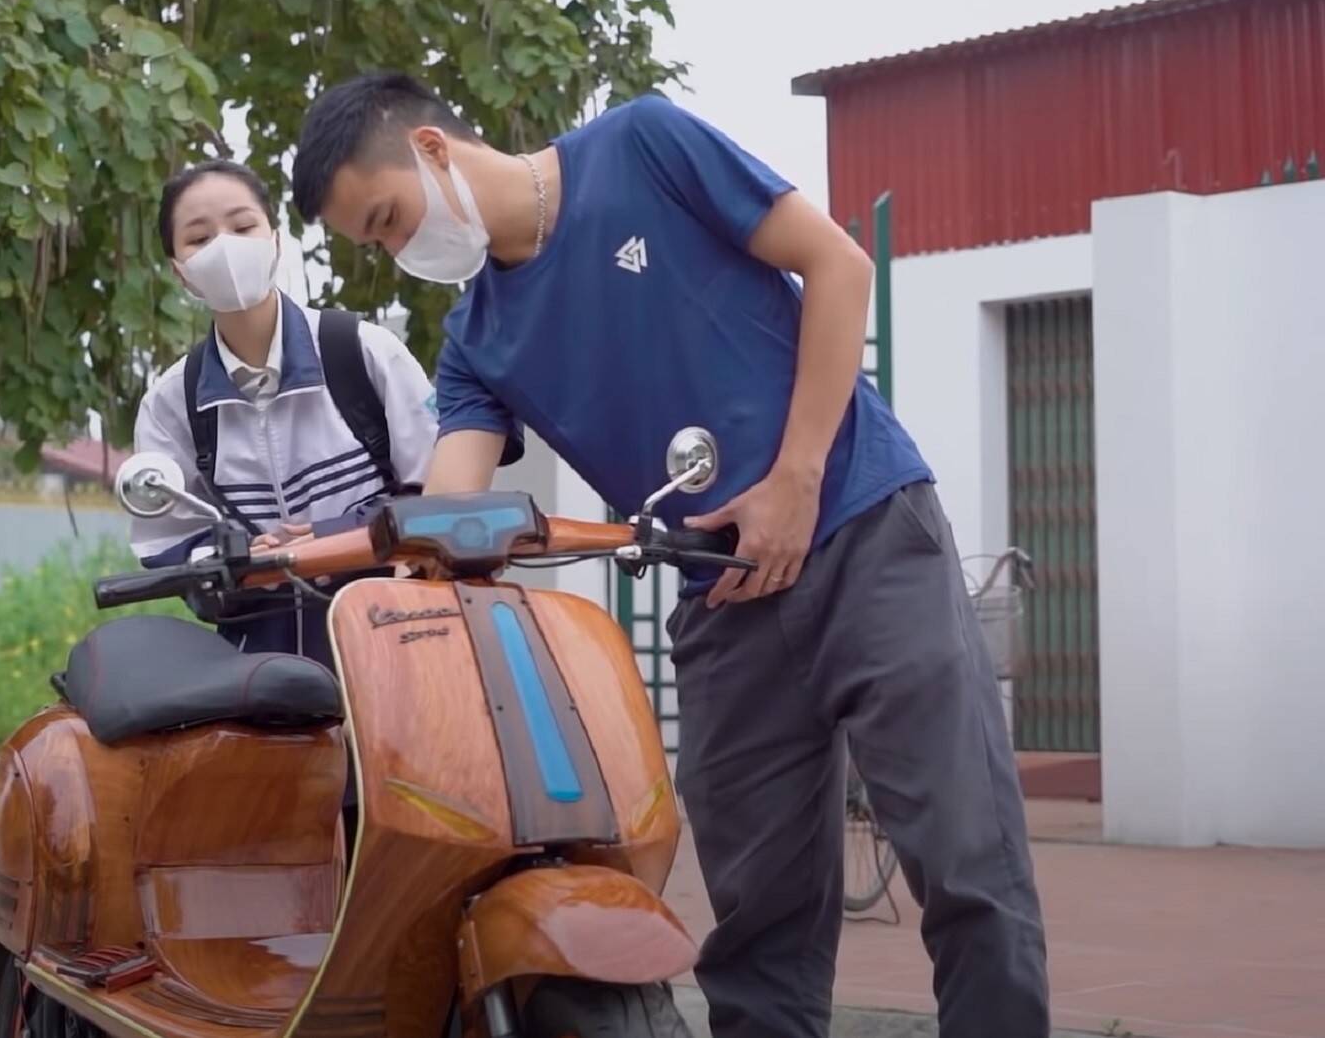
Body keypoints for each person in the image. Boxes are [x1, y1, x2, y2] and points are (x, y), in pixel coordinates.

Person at [287, 73, 1049, 1038]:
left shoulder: (641, 147)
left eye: (389, 218)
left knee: (968, 861)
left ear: (434, 149)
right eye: (377, 244)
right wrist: (328, 550)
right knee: (758, 923)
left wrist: (795, 477)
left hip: (862, 529)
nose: (401, 251)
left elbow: (838, 263)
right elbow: (446, 507)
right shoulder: (478, 341)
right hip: (723, 601)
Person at [130, 158, 437, 671]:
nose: (224, 247)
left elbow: (437, 489)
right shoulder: (170, 404)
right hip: (261, 682)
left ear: (274, 238)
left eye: (243, 226)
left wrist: (342, 534)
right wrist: (239, 561)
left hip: (397, 653)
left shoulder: (362, 352)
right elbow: (169, 541)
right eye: (199, 238)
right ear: (179, 271)